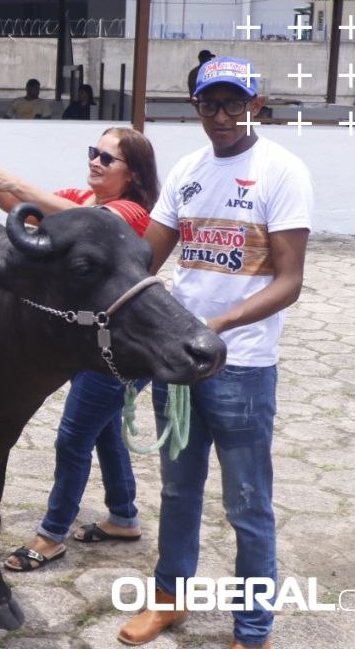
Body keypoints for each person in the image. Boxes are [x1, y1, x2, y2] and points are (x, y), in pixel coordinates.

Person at [119, 56, 313, 649]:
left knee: (248, 504)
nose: (222, 116)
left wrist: (220, 323)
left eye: (235, 103)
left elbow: (289, 280)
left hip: (243, 366)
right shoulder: (187, 171)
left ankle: (252, 629)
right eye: (210, 104)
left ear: (256, 104)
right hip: (180, 362)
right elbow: (145, 260)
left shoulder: (282, 171)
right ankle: (170, 601)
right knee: (178, 490)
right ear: (196, 107)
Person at [0, 128, 160, 572]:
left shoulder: (130, 214)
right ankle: (123, 517)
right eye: (94, 153)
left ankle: (51, 535)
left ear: (134, 174)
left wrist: (11, 178)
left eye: (108, 158)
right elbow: (25, 216)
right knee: (102, 431)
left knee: (72, 439)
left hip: (119, 346)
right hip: (90, 343)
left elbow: (83, 224)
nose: (96, 162)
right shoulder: (79, 201)